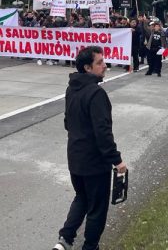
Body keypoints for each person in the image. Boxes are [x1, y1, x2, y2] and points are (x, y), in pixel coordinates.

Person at [52, 46, 126, 250]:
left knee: (82, 197)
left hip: (75, 157)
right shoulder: (96, 93)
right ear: (87, 67)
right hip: (94, 162)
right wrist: (117, 160)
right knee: (97, 208)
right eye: (100, 63)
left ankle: (65, 239)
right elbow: (103, 133)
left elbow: (68, 122)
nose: (105, 66)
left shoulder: (72, 88)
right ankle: (90, 246)